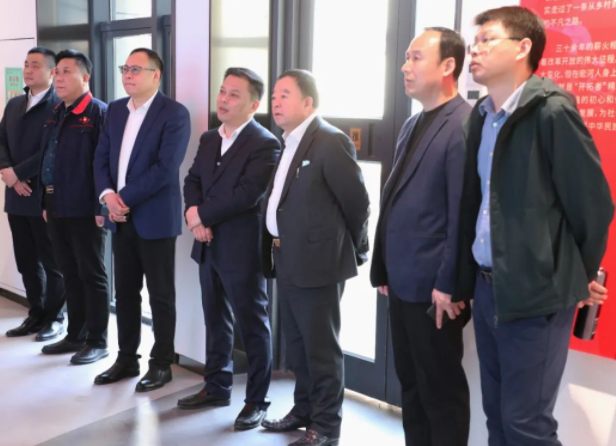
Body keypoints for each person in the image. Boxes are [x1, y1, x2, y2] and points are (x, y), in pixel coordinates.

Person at [455, 7, 615, 445]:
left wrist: (577, 273)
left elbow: (593, 205)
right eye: (474, 42)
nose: (476, 50)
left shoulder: (551, 111)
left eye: (488, 39)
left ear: (523, 47)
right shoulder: (482, 115)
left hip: (537, 293)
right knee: (497, 415)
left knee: (526, 423)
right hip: (489, 287)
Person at [370, 27, 471, 446]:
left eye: (415, 58)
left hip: (435, 289)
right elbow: (397, 200)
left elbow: (461, 214)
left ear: (448, 66)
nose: (405, 67)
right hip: (403, 280)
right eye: (406, 57)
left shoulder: (463, 123)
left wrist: (450, 283)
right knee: (410, 383)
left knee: (440, 391)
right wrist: (383, 268)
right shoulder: (413, 123)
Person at [261, 69, 370, 446]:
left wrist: (353, 249)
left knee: (321, 350)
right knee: (297, 344)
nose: (276, 102)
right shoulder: (289, 141)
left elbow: (357, 203)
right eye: (274, 95)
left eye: (285, 95)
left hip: (318, 264)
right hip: (286, 258)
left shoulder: (330, 140)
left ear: (308, 102)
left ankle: (326, 426)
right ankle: (303, 410)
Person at [179, 67, 281, 430]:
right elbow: (192, 180)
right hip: (207, 244)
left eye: (233, 94)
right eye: (222, 91)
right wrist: (194, 216)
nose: (223, 99)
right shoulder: (210, 138)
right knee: (215, 318)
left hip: (242, 248)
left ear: (253, 104)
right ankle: (217, 386)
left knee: (252, 325)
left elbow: (246, 195)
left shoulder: (265, 143)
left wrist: (201, 216)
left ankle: (256, 400)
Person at [94, 48, 191, 392]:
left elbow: (165, 168)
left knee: (160, 295)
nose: (128, 75)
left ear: (156, 75)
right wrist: (108, 196)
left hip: (155, 218)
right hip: (119, 217)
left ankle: (161, 364)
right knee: (125, 292)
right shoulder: (116, 109)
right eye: (125, 68)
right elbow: (101, 157)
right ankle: (126, 359)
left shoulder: (174, 113)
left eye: (136, 69)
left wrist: (123, 199)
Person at [39, 50, 109, 365]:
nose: (59, 77)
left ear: (85, 77)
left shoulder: (98, 113)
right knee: (69, 272)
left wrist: (100, 207)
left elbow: (103, 164)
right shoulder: (56, 112)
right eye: (57, 71)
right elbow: (48, 160)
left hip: (84, 206)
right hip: (55, 204)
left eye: (67, 71)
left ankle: (97, 341)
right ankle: (75, 335)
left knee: (91, 274)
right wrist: (44, 201)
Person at [0, 47, 65, 341]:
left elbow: (52, 150)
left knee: (52, 262)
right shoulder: (15, 103)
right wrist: (8, 172)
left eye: (35, 65)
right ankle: (36, 313)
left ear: (52, 71)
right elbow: (1, 140)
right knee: (26, 261)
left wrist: (18, 173)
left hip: (43, 196)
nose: (28, 70)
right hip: (17, 196)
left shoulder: (58, 105)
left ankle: (55, 317)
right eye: (26, 64)